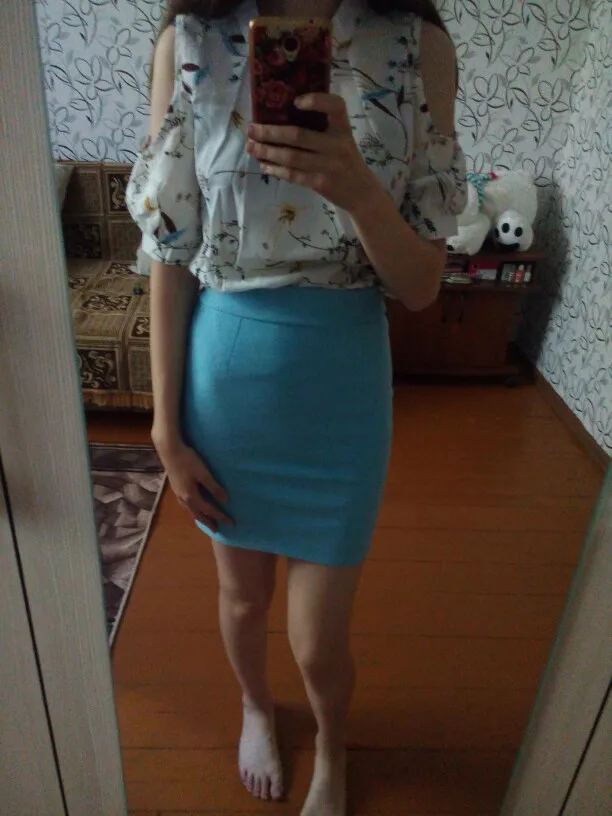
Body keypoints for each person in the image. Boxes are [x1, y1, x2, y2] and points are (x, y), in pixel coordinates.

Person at [126, 0, 466, 813]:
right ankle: (255, 707)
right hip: (226, 381)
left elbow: (421, 287)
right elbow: (171, 254)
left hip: (341, 387)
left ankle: (333, 750)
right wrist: (165, 429)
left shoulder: (416, 44)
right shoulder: (192, 40)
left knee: (317, 642)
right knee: (243, 600)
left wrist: (356, 188)